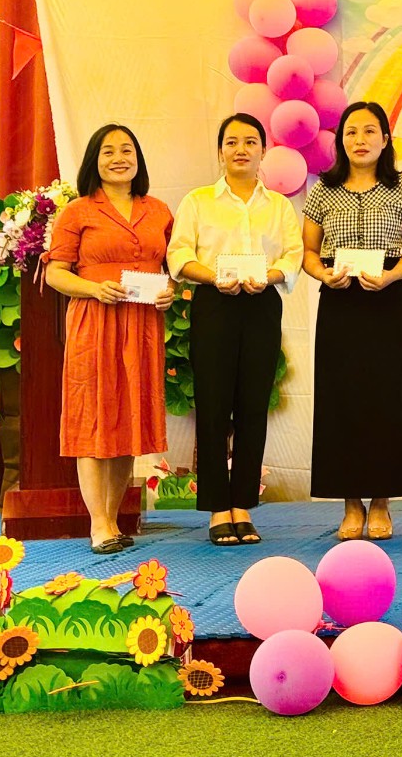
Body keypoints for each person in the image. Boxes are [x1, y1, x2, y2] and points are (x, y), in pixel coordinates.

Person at [168, 113, 302, 546]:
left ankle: (242, 504)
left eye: (250, 142)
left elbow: (293, 254)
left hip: (261, 304)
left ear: (263, 151)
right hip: (214, 303)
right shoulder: (198, 201)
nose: (241, 149)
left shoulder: (278, 205)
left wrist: (272, 276)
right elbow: (179, 254)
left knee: (252, 405)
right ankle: (216, 508)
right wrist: (211, 277)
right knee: (212, 405)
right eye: (232, 142)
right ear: (220, 151)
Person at [45, 124, 174, 554]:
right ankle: (98, 524)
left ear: (138, 158)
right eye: (108, 151)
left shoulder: (158, 210)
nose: (119, 158)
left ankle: (114, 518)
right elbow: (56, 273)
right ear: (94, 162)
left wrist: (170, 291)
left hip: (142, 325)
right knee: (93, 419)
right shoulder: (78, 211)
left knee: (127, 421)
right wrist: (93, 289)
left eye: (126, 150)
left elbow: (169, 268)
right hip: (95, 321)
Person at [302, 101, 402, 542]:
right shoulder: (324, 189)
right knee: (342, 400)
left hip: (386, 298)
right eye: (351, 132)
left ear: (385, 139)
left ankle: (382, 502)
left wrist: (391, 276)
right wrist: (323, 275)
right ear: (341, 140)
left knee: (386, 398)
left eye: (370, 131)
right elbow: (308, 252)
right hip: (340, 301)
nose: (360, 140)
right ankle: (351, 503)